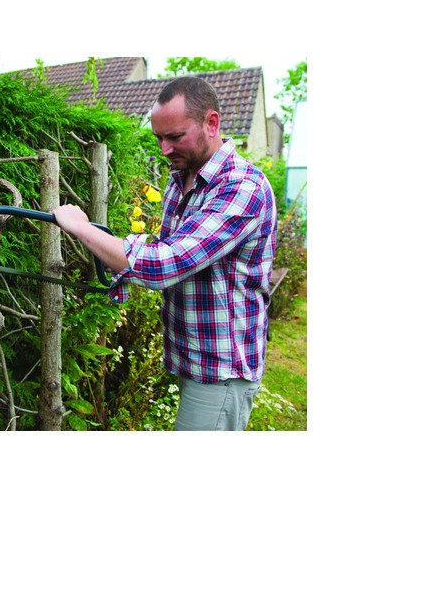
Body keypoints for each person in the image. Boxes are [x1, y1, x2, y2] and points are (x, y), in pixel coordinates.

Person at [52, 76, 277, 431]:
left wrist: (82, 228)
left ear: (211, 123)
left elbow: (167, 262)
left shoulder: (242, 187)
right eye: (158, 137)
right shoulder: (181, 178)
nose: (164, 149)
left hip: (222, 368)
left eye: (174, 137)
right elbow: (166, 247)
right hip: (191, 357)